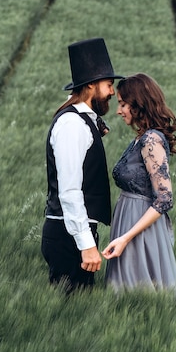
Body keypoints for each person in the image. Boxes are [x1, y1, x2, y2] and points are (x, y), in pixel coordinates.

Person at [41, 38, 122, 293]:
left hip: (74, 232)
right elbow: (70, 190)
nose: (112, 92)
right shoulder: (72, 125)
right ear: (90, 85)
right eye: (109, 85)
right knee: (67, 317)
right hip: (68, 236)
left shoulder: (80, 120)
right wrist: (86, 244)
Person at [102, 73, 176, 293]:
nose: (119, 110)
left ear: (139, 104)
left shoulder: (151, 140)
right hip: (128, 221)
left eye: (123, 104)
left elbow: (165, 198)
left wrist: (126, 237)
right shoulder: (141, 138)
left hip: (139, 229)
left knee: (138, 292)